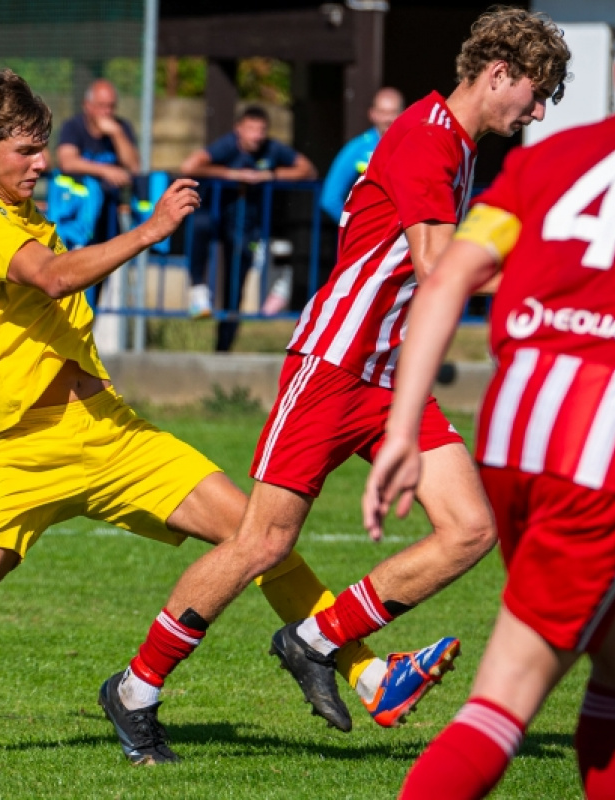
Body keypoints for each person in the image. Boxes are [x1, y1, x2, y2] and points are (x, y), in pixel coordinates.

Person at [0, 68, 428, 766]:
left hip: (111, 434)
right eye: (26, 150)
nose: (42, 162)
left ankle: (370, 674)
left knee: (259, 537)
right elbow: (52, 275)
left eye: (43, 145)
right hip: (24, 453)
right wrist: (152, 230)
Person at [95, 7, 571, 764]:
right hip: (333, 367)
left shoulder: (460, 144)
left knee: (473, 530)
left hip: (386, 374)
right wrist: (562, 279)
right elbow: (437, 270)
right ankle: (135, 688)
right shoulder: (427, 139)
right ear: (499, 73)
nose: (539, 110)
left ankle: (315, 639)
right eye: (537, 91)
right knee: (262, 542)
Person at [363, 102, 615, 800]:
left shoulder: (550, 158)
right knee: (502, 701)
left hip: (516, 427)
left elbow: (445, 278)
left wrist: (404, 430)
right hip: (600, 443)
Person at [180, 106, 317, 351]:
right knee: (197, 225)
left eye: (261, 130)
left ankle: (224, 348)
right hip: (216, 216)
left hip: (248, 228)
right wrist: (231, 174)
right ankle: (198, 290)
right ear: (239, 129)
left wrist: (269, 176)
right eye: (251, 129)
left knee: (237, 285)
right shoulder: (226, 146)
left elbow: (307, 169)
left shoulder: (273, 149)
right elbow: (189, 166)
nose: (256, 135)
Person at [55, 78, 139, 307]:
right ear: (88, 106)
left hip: (108, 216)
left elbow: (134, 165)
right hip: (76, 219)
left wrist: (117, 134)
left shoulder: (120, 128)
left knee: (98, 276)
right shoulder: (73, 127)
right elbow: (67, 161)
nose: (107, 112)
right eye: (102, 106)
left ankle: (89, 323)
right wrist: (104, 171)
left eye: (111, 106)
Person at [320, 87, 405, 224]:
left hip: (405, 234)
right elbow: (330, 198)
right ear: (372, 114)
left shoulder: (413, 146)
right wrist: (356, 226)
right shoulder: (357, 148)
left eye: (393, 112)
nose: (388, 119)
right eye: (382, 112)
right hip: (370, 234)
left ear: (403, 113)